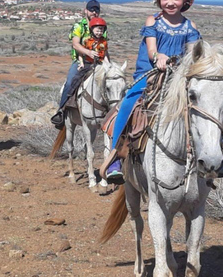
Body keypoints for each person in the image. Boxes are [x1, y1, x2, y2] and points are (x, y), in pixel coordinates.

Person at [105, 0, 200, 184]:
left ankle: (218, 153)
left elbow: (192, 55)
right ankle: (114, 158)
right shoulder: (153, 21)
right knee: (128, 103)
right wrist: (159, 57)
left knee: (205, 105)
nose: (170, 2)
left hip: (178, 78)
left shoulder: (190, 26)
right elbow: (151, 50)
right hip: (149, 74)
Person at [50, 0, 105, 128]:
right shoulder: (79, 26)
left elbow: (104, 45)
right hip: (81, 61)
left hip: (99, 61)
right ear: (86, 10)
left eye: (97, 10)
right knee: (70, 82)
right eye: (92, 10)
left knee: (112, 82)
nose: (94, 12)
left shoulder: (101, 26)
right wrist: (88, 53)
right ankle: (61, 111)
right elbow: (75, 44)